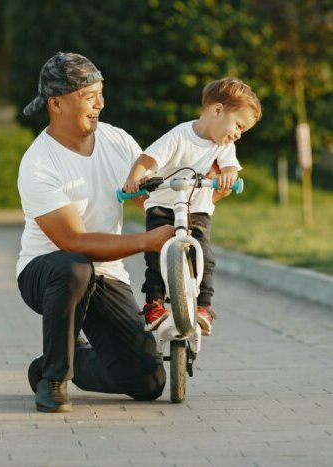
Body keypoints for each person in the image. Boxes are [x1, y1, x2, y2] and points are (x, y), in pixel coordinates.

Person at [16, 51, 175, 413]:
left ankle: (69, 360)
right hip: (47, 272)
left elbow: (150, 202)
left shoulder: (118, 142)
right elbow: (73, 242)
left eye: (101, 93)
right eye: (89, 96)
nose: (100, 104)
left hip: (105, 274)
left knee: (148, 383)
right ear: (55, 104)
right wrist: (145, 242)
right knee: (75, 266)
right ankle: (54, 379)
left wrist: (198, 195)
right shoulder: (39, 163)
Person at [123, 77, 262, 336]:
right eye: (238, 125)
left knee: (205, 256)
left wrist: (228, 176)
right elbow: (148, 158)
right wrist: (135, 177)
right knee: (155, 253)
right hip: (163, 206)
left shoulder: (224, 145)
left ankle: (203, 307)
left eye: (243, 131)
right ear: (217, 110)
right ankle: (154, 303)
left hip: (196, 208)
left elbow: (230, 167)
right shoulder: (179, 135)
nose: (238, 134)